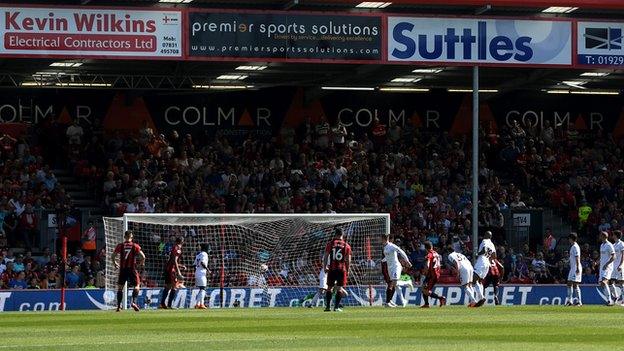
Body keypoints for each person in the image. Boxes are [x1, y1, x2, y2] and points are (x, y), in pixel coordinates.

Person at [111, 230, 145, 312]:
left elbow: (113, 256)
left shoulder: (120, 245)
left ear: (124, 237)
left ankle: (118, 307)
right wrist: (140, 264)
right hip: (132, 268)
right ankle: (134, 302)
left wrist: (115, 263)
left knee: (120, 288)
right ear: (132, 237)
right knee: (137, 285)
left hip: (123, 269)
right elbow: (143, 257)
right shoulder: (135, 246)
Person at [322, 228, 351, 312]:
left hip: (332, 269)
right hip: (342, 269)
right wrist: (348, 270)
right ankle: (336, 307)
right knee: (339, 288)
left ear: (335, 234)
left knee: (329, 288)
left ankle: (327, 307)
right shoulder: (347, 245)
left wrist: (325, 267)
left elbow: (326, 256)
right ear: (342, 235)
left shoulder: (330, 244)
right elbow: (348, 260)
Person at [381, 233, 412, 308]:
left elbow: (401, 252)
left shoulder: (391, 246)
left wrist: (407, 261)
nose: (379, 240)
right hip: (390, 268)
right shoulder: (384, 247)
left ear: (383, 239)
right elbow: (388, 257)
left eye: (380, 239)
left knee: (392, 283)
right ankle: (391, 301)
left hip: (396, 266)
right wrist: (382, 260)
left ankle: (388, 302)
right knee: (393, 284)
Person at [161, 237, 185, 309]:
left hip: (168, 268)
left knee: (168, 286)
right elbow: (174, 260)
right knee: (174, 286)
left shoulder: (173, 247)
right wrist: (179, 272)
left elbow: (172, 259)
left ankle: (162, 303)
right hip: (171, 270)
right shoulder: (178, 248)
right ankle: (169, 305)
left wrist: (180, 266)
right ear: (182, 242)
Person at [473, 231, 496, 307]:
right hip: (487, 263)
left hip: (481, 261)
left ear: (486, 235)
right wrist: (488, 259)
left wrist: (477, 254)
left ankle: (481, 297)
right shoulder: (492, 244)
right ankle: (481, 298)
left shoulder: (484, 241)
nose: (484, 235)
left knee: (474, 279)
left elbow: (484, 249)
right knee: (479, 281)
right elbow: (494, 256)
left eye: (485, 234)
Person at [420, 241, 446, 308]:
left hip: (432, 275)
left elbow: (428, 264)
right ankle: (426, 304)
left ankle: (440, 298)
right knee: (423, 288)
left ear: (426, 248)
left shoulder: (429, 254)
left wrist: (425, 271)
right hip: (433, 274)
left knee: (426, 291)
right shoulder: (436, 254)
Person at [565, 233, 583, 306]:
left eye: (569, 238)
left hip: (576, 268)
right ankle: (570, 301)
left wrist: (578, 267)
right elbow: (572, 258)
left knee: (575, 285)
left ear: (571, 238)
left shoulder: (575, 247)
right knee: (569, 284)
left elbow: (577, 257)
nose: (568, 240)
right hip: (572, 268)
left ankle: (579, 302)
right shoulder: (572, 247)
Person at [598, 231, 615, 306]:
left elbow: (614, 257)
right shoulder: (602, 245)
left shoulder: (609, 245)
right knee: (602, 284)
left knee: (604, 282)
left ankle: (609, 300)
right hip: (602, 268)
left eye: (600, 235)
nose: (599, 236)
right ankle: (613, 297)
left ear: (604, 236)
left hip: (608, 267)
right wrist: (597, 262)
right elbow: (602, 257)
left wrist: (607, 264)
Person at [609, 230, 624, 305]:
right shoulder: (613, 245)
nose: (612, 236)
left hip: (620, 266)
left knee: (621, 283)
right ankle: (616, 296)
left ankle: (623, 301)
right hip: (613, 267)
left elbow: (623, 255)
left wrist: (621, 265)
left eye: (613, 234)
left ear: (616, 235)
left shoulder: (622, 244)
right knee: (611, 282)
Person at [194, 243, 209, 309]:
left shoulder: (198, 255)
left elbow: (194, 265)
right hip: (201, 273)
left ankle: (197, 304)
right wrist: (208, 270)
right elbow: (202, 263)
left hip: (197, 272)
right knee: (203, 288)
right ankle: (202, 304)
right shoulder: (204, 254)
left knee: (201, 289)